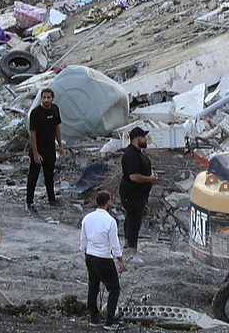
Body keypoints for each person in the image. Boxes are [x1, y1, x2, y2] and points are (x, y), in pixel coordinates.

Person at [81, 190, 125, 327]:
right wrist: (120, 262)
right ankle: (110, 321)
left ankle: (94, 317)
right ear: (108, 203)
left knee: (93, 286)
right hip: (104, 258)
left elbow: (83, 241)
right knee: (114, 288)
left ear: (96, 202)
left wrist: (86, 254)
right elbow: (114, 245)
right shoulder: (110, 221)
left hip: (90, 256)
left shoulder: (87, 218)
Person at [119, 127, 156, 258]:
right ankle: (132, 253)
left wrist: (151, 175)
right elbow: (134, 176)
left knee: (131, 218)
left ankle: (127, 245)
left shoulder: (139, 152)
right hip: (131, 193)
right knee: (134, 221)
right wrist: (149, 179)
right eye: (143, 137)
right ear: (136, 139)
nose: (145, 139)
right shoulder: (130, 154)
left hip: (139, 193)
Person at [24, 87, 63, 212]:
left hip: (50, 148)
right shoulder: (36, 113)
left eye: (48, 97)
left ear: (52, 98)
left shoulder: (55, 109)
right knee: (33, 176)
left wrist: (60, 146)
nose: (46, 100)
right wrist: (35, 153)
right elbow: (33, 134)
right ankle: (29, 203)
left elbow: (57, 128)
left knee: (49, 175)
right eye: (44, 97)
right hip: (38, 148)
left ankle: (52, 199)